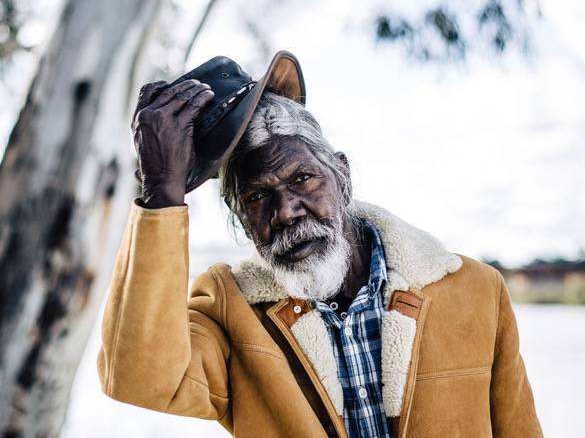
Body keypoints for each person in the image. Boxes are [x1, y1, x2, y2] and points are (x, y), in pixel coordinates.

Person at [97, 52, 542, 438]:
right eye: (256, 197)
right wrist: (161, 192)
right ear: (242, 220)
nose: (285, 210)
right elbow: (138, 378)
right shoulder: (229, 308)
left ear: (342, 176)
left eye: (302, 178)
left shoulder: (475, 291)